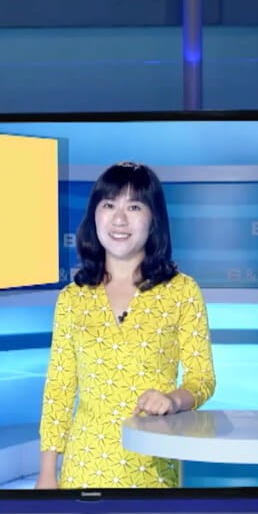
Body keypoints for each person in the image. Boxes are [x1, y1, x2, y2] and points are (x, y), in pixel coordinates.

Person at [37, 161, 215, 489]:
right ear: (94, 215)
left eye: (134, 207)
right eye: (109, 205)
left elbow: (202, 379)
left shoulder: (182, 291)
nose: (119, 219)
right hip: (84, 470)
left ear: (153, 218)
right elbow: (59, 389)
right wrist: (48, 472)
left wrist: (173, 400)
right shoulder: (72, 298)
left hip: (154, 470)